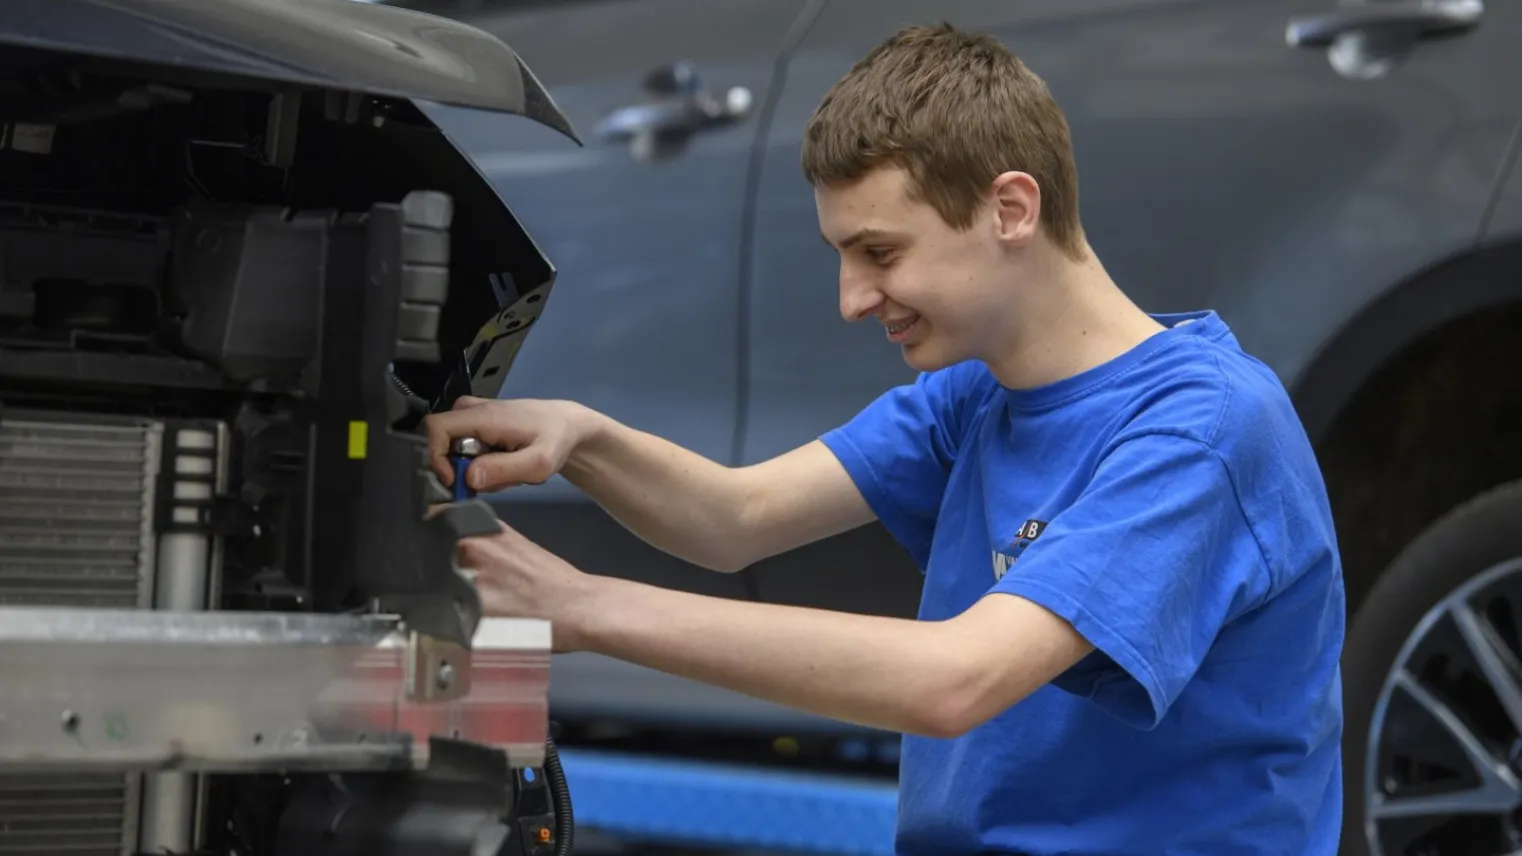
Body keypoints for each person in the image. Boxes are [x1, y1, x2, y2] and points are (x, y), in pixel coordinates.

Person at [424, 22, 1345, 856]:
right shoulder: (974, 394)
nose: (852, 300)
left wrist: (582, 608)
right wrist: (583, 438)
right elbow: (733, 518)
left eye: (880, 253)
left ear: (1012, 209)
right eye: (842, 257)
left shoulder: (1204, 429)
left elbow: (956, 680)